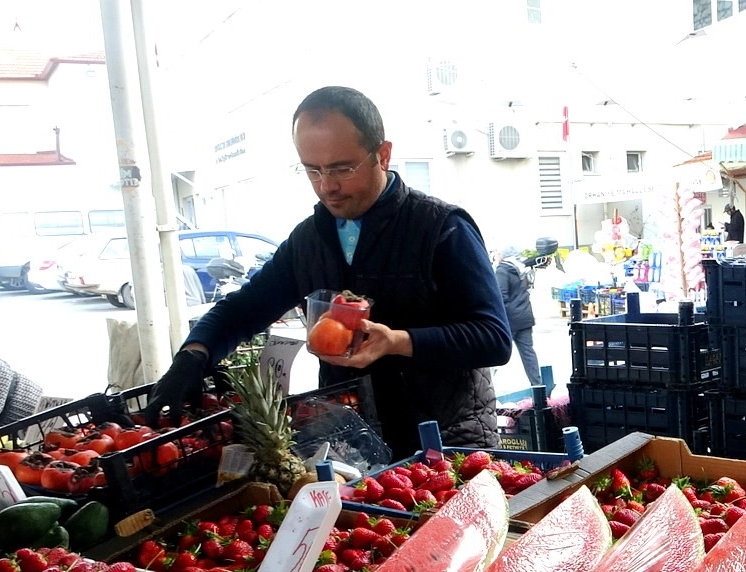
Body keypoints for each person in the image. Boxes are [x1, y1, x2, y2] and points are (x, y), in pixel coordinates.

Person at [142, 86, 512, 456]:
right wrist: (194, 353)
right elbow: (245, 308)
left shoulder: (441, 228)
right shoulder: (308, 240)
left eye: (341, 169)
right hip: (354, 444)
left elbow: (493, 338)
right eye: (312, 170)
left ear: (382, 155)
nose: (327, 186)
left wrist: (397, 341)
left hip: (448, 443)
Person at [494, 247, 543, 388]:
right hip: (525, 316)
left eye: (498, 252)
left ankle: (487, 387)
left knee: (495, 352)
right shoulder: (522, 268)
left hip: (510, 320)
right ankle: (538, 386)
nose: (496, 254)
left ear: (503, 254)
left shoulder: (503, 270)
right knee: (528, 354)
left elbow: (501, 296)